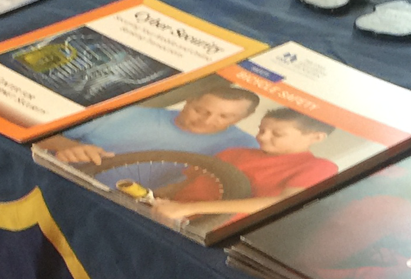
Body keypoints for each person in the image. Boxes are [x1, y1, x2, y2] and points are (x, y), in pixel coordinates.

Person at [148, 108, 342, 225]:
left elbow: (283, 202)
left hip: (210, 228)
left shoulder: (319, 167)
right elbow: (186, 183)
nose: (263, 137)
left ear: (316, 137)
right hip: (168, 213)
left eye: (278, 134)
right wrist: (150, 195)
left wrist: (186, 209)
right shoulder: (234, 152)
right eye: (261, 129)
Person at [47, 82, 261, 163]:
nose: (208, 121)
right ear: (189, 101)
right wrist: (69, 147)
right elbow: (40, 135)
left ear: (243, 118)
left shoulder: (248, 147)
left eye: (224, 117)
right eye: (200, 110)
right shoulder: (126, 113)